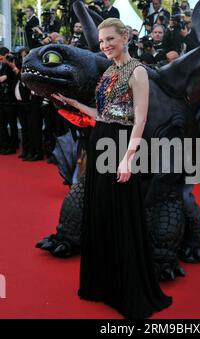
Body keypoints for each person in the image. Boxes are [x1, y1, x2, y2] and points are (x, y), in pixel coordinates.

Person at [52, 18, 172, 319]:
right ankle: (103, 283)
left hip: (121, 145)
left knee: (119, 211)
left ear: (126, 37)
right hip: (101, 138)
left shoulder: (138, 71)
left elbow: (140, 119)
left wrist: (129, 157)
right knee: (101, 209)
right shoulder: (109, 71)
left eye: (109, 40)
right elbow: (102, 114)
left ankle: (125, 287)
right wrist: (72, 103)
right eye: (102, 41)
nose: (104, 45)